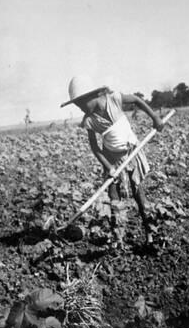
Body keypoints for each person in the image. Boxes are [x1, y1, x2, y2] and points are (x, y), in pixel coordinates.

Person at [61, 75, 164, 247]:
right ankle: (118, 238)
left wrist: (155, 118)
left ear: (92, 96)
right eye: (76, 104)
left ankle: (149, 233)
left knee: (138, 192)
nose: (79, 108)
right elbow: (95, 148)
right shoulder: (89, 120)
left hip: (131, 151)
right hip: (111, 159)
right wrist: (108, 167)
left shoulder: (114, 100)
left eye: (80, 103)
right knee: (114, 197)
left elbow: (137, 100)